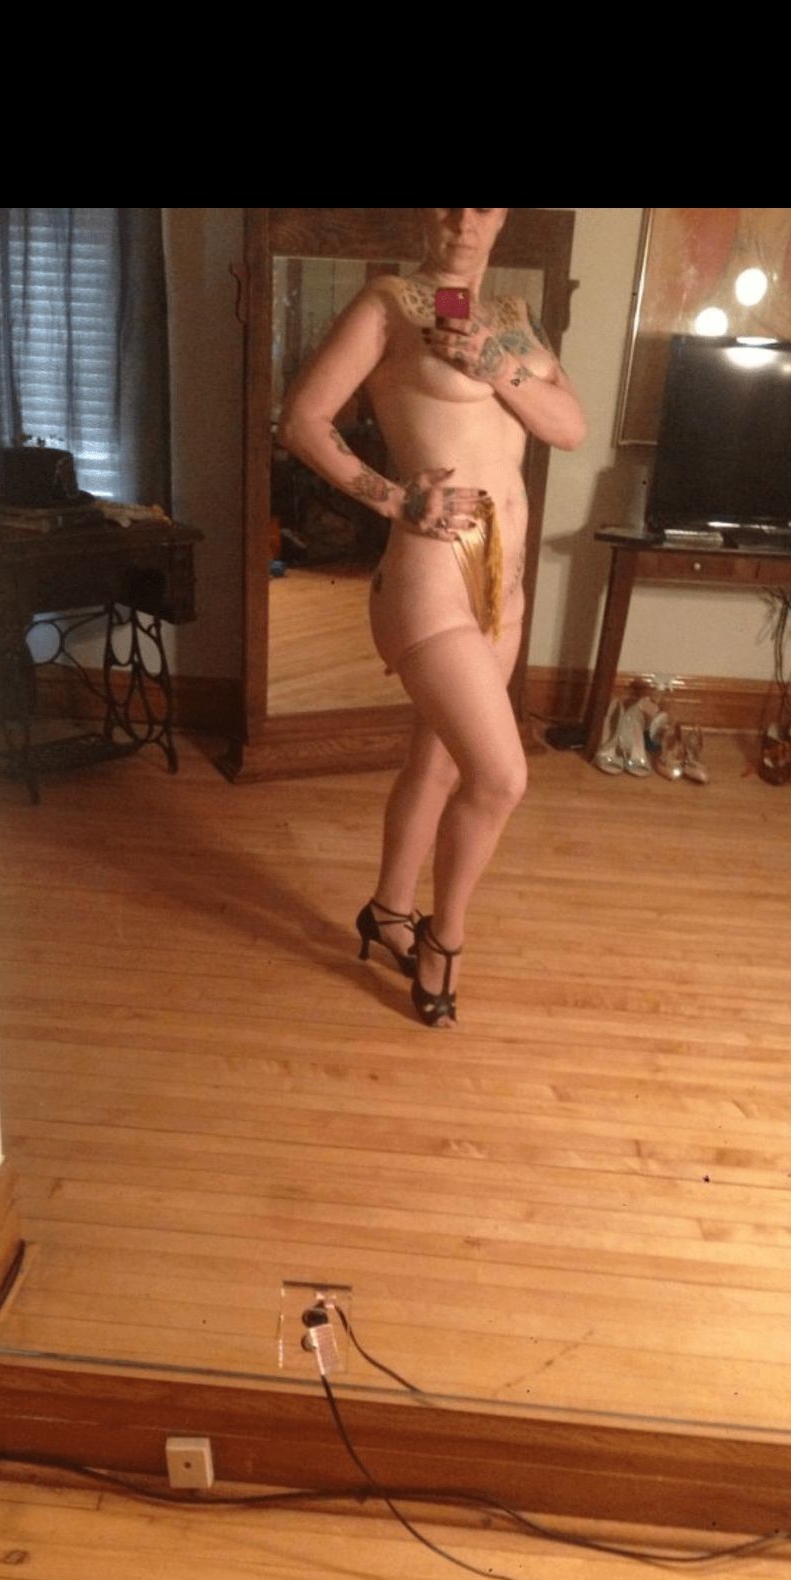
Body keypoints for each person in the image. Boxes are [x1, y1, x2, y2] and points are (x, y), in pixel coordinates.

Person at [278, 208, 586, 1026]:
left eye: (481, 206)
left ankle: (386, 910)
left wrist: (497, 366)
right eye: (447, 204)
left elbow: (570, 427)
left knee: (441, 765)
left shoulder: (514, 319)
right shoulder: (388, 305)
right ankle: (443, 940)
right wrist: (392, 497)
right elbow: (302, 420)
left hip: (503, 586)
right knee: (501, 776)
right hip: (430, 574)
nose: (462, 221)